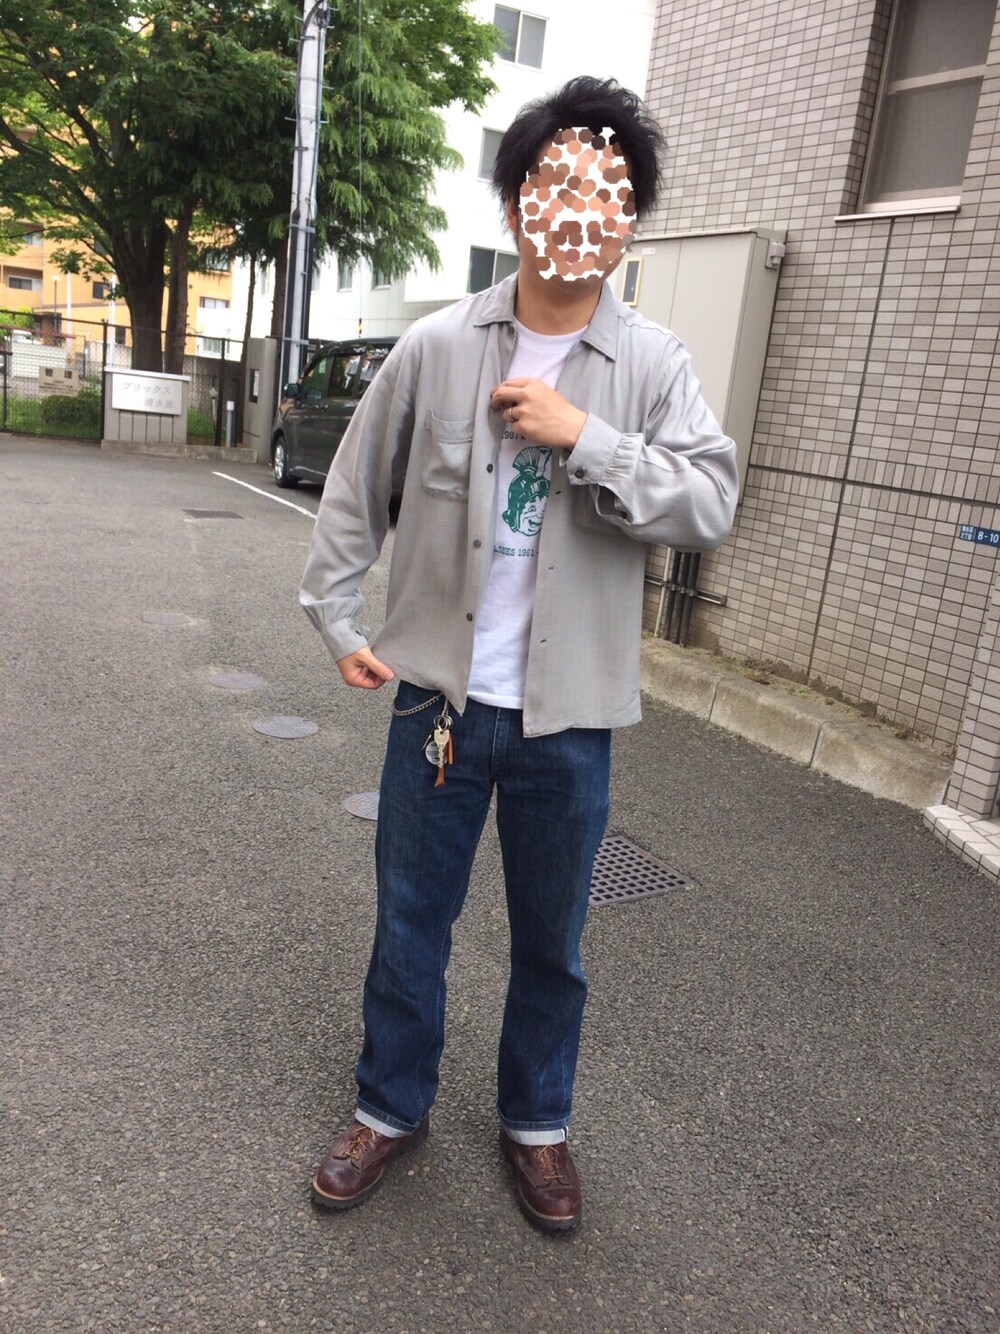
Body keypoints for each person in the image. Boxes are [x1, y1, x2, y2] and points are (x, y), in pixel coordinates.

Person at [300, 75, 738, 1233]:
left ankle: (537, 1124)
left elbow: (709, 503)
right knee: (410, 923)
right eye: (559, 183)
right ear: (515, 205)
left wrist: (587, 436)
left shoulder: (652, 365)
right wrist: (337, 619)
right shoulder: (438, 345)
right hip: (437, 704)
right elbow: (355, 488)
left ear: (628, 219)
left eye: (607, 191)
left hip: (569, 715)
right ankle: (387, 1106)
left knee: (554, 942)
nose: (581, 208)